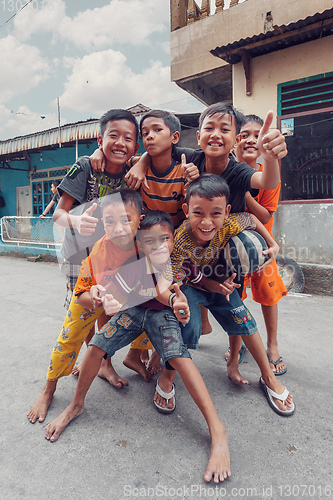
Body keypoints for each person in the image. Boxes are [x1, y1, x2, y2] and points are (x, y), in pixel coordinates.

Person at [44, 207, 231, 484]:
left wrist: (182, 304)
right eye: (150, 241)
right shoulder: (132, 262)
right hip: (133, 313)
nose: (158, 246)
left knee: (181, 358)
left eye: (165, 239)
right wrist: (102, 297)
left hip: (162, 315)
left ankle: (218, 432)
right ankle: (76, 405)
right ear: (140, 243)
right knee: (96, 346)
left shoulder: (177, 261)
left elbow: (169, 287)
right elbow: (118, 291)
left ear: (173, 238)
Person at [27, 109, 144, 425]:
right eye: (113, 135)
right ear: (100, 138)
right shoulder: (85, 167)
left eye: (128, 138)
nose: (120, 143)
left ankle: (103, 362)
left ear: (136, 145)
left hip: (111, 259)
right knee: (76, 322)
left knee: (106, 313)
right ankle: (49, 389)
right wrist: (75, 219)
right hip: (79, 256)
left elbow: (151, 158)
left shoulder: (134, 170)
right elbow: (58, 214)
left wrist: (143, 162)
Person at [154, 174, 295, 417]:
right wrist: (174, 299)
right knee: (186, 326)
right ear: (186, 210)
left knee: (244, 321)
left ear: (226, 211)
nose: (207, 222)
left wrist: (272, 243)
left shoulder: (230, 224)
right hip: (190, 286)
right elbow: (166, 280)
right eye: (199, 213)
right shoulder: (180, 240)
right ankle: (168, 376)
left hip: (221, 283)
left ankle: (268, 377)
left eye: (215, 213)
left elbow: (251, 218)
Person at [227, 114, 288, 374]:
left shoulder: (268, 174)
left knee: (268, 295)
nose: (252, 140)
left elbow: (264, 216)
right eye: (245, 135)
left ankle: (272, 346)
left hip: (262, 246)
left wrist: (244, 192)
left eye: (257, 134)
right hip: (235, 248)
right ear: (234, 141)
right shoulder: (227, 172)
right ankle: (236, 344)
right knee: (234, 296)